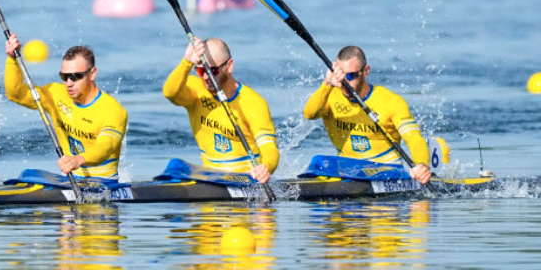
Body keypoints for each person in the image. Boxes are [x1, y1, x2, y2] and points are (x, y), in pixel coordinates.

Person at [4, 33, 127, 182]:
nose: (69, 83)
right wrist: (12, 59)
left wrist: (78, 159)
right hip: (68, 179)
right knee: (28, 174)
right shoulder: (55, 94)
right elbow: (16, 94)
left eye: (75, 76)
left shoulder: (113, 111)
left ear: (92, 73)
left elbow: (106, 147)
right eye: (64, 76)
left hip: (103, 182)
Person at [302, 45, 433, 184]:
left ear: (366, 71)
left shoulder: (391, 102)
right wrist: (327, 84)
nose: (345, 82)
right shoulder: (329, 95)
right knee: (319, 162)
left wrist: (421, 165)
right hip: (347, 169)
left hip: (386, 170)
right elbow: (310, 114)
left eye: (350, 76)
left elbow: (414, 139)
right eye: (340, 75)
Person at [163, 38, 279, 184]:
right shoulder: (196, 91)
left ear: (229, 66)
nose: (206, 77)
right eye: (200, 70)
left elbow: (269, 148)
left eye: (213, 71)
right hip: (211, 178)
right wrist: (187, 61)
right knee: (176, 165)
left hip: (247, 179)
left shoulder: (254, 103)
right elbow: (170, 93)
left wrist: (265, 168)